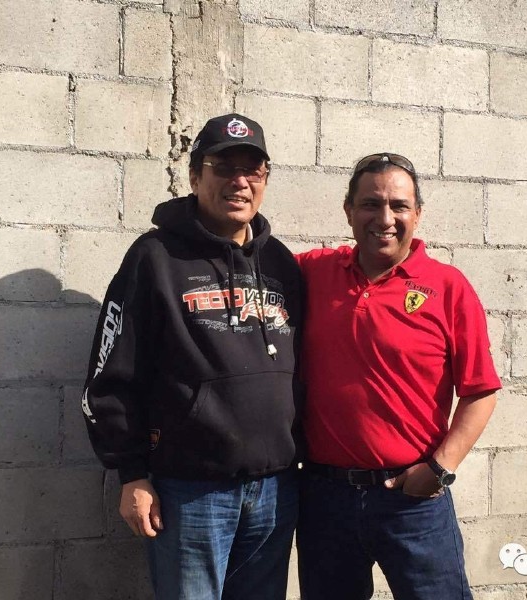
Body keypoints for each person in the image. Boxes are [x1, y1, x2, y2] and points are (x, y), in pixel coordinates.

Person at [81, 114, 302, 600]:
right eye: (223, 167)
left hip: (275, 489)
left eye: (253, 170)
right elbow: (112, 373)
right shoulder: (154, 257)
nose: (239, 181)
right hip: (190, 491)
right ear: (195, 176)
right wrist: (131, 473)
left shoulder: (281, 263)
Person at [295, 153, 501, 600]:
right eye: (370, 204)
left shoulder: (448, 287)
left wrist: (440, 468)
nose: (384, 218)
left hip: (413, 503)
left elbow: (481, 392)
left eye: (398, 206)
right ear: (349, 211)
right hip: (325, 500)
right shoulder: (312, 272)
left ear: (417, 214)